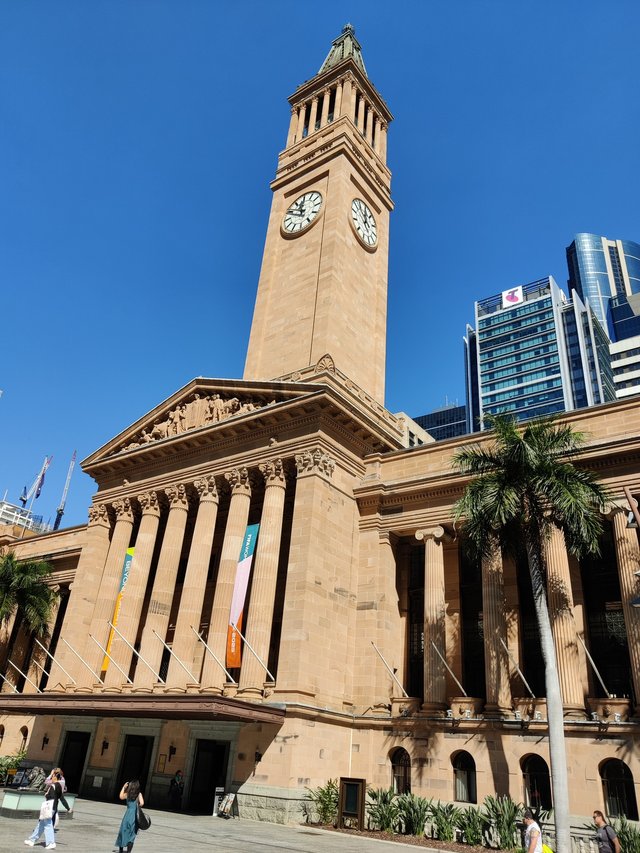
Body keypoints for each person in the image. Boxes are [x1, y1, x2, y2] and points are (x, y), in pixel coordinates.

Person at [24, 769, 72, 849]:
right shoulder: (58, 785)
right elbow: (62, 798)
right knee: (41, 824)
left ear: (55, 776)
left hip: (49, 807)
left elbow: (51, 797)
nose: (51, 777)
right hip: (52, 807)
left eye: (52, 775)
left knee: (48, 825)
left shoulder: (54, 786)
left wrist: (46, 795)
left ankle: (50, 843)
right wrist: (68, 808)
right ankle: (32, 840)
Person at [115, 779, 144, 853]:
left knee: (123, 831)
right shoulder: (139, 794)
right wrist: (137, 805)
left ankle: (121, 850)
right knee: (132, 835)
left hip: (127, 815)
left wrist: (124, 787)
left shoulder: (127, 794)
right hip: (134, 817)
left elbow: (121, 797)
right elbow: (142, 803)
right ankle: (128, 851)